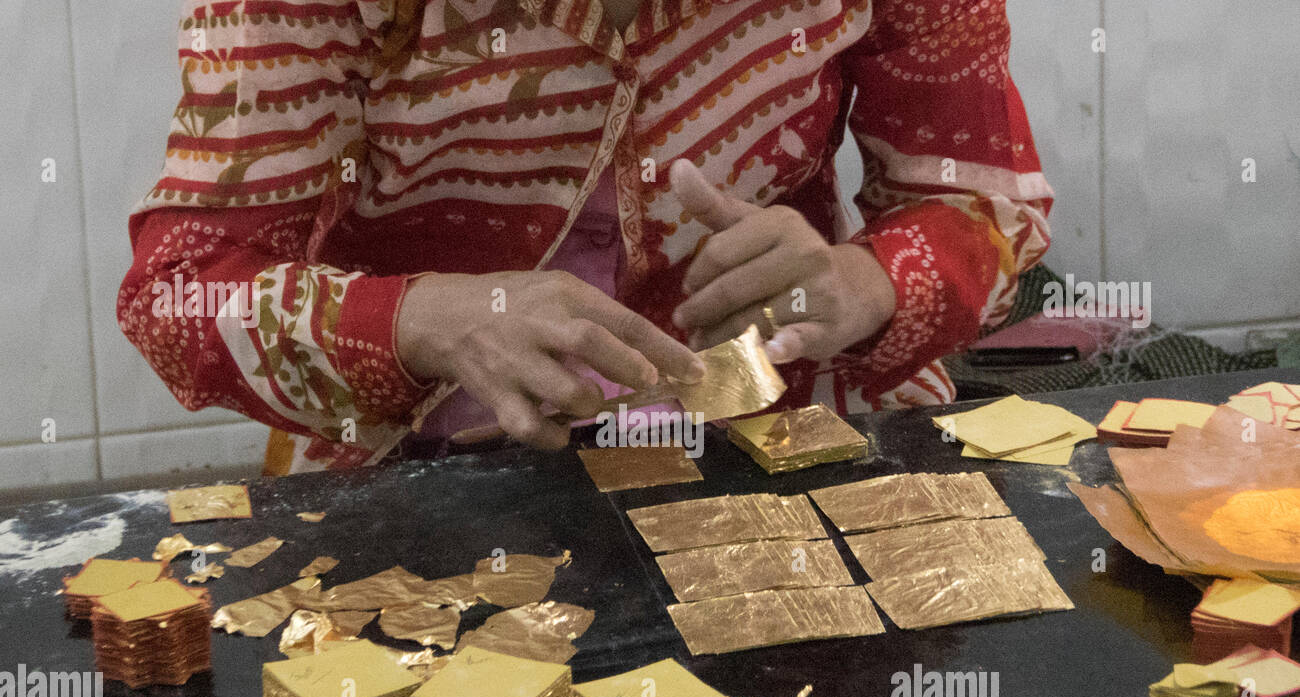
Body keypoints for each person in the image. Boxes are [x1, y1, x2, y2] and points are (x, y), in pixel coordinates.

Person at [118, 0, 1052, 473]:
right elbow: (179, 290)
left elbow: (986, 205)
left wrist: (867, 281)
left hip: (792, 440)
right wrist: (426, 319)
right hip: (429, 478)